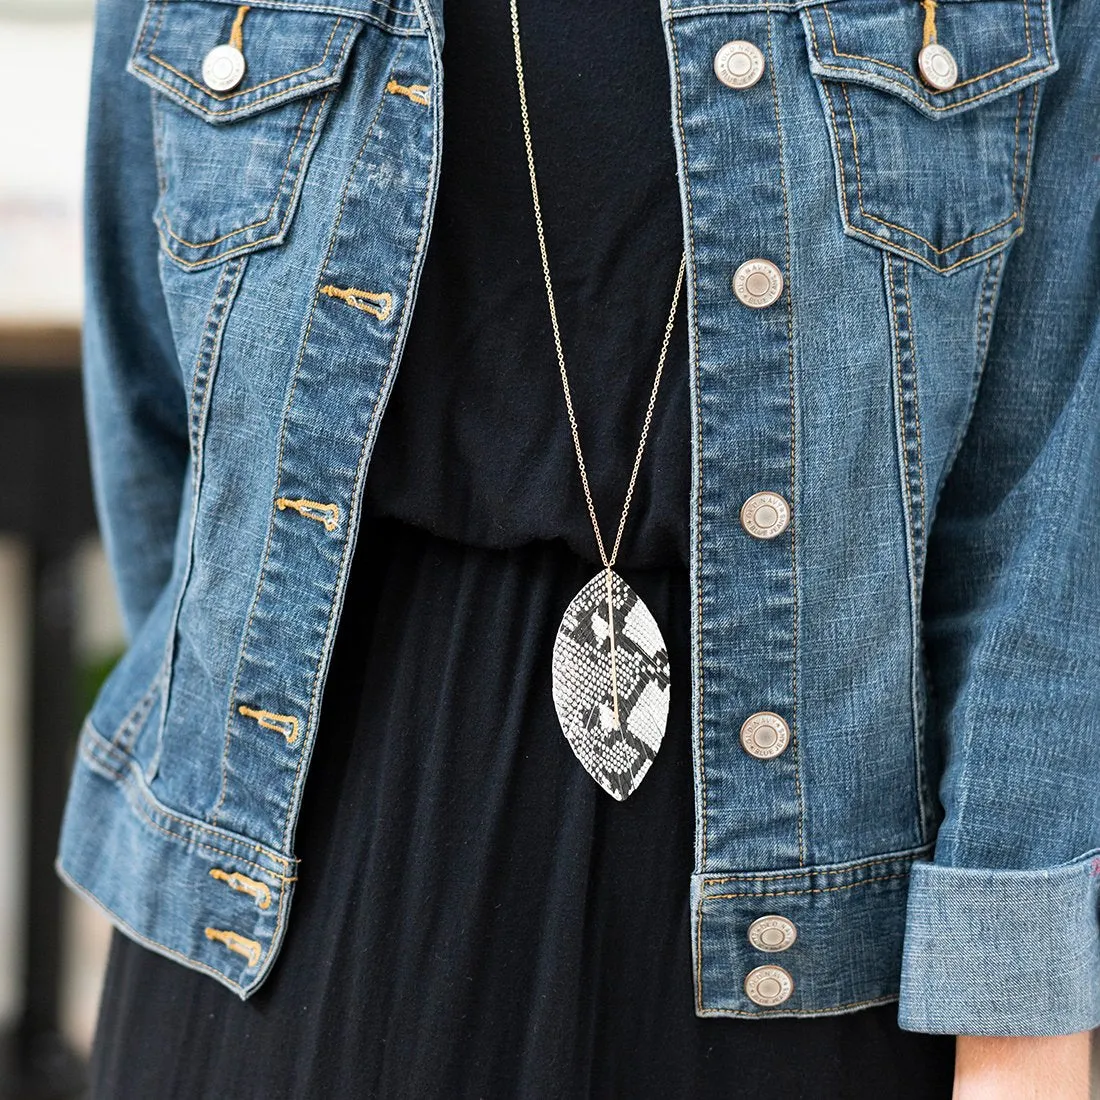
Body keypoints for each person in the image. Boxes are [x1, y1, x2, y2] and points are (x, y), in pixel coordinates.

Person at [57, 0, 1098, 1095]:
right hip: (309, 880)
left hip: (818, 920)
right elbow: (161, 415)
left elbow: (1045, 490)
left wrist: (1021, 1019)